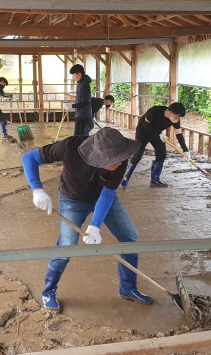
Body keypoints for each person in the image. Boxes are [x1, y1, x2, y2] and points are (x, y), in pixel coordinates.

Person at [21, 128, 151, 311]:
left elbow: (107, 195)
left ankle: (128, 288)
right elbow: (29, 158)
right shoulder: (69, 147)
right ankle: (48, 291)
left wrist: (95, 225)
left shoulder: (120, 157)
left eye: (121, 158)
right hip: (72, 200)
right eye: (114, 161)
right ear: (98, 158)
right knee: (66, 246)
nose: (120, 163)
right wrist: (37, 190)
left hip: (104, 197)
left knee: (130, 236)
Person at [120, 102, 190, 188]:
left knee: (161, 154)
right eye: (177, 117)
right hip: (143, 132)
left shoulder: (175, 119)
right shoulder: (154, 111)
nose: (177, 119)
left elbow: (178, 134)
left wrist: (185, 150)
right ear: (170, 113)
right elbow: (146, 125)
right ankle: (126, 178)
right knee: (138, 155)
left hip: (157, 134)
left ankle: (155, 180)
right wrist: (159, 133)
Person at [68, 64, 92, 136]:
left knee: (80, 137)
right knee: (79, 136)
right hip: (80, 114)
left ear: (79, 74)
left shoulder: (84, 85)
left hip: (83, 116)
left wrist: (72, 105)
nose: (73, 77)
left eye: (74, 75)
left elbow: (86, 102)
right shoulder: (80, 84)